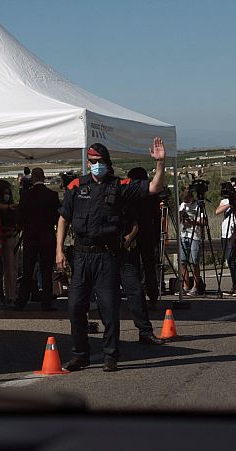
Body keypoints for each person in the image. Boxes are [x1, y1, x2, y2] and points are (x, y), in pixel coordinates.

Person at [56, 138, 167, 372]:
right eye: (92, 161)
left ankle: (110, 355)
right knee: (75, 307)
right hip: (81, 255)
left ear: (107, 163)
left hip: (106, 256)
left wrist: (160, 163)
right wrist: (59, 250)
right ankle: (80, 355)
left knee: (108, 307)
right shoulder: (76, 186)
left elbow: (154, 188)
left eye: (100, 161)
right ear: (88, 162)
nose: (96, 165)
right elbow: (64, 218)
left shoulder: (119, 186)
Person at [15, 168, 60, 311]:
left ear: (32, 179)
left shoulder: (26, 195)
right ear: (44, 177)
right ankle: (46, 303)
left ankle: (21, 301)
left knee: (27, 270)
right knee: (46, 270)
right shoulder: (52, 195)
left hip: (30, 237)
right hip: (47, 236)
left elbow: (20, 215)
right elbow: (57, 217)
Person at [121, 213, 165, 345]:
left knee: (136, 291)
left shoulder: (124, 198)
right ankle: (109, 341)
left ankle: (145, 331)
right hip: (102, 253)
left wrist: (129, 237)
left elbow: (134, 222)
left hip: (126, 251)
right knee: (107, 298)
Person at [127, 167, 162, 308]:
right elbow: (157, 216)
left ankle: (137, 298)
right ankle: (152, 296)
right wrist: (157, 235)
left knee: (133, 267)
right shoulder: (151, 195)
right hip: (148, 233)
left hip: (133, 234)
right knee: (149, 267)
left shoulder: (131, 194)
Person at [0, 180, 19, 306]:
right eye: (5, 192)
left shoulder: (7, 207)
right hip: (5, 239)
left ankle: (11, 294)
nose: (7, 194)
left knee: (13, 268)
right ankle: (10, 295)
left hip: (13, 237)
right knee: (9, 269)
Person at [215, 194, 236, 296]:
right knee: (228, 260)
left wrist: (235, 233)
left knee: (231, 260)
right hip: (224, 233)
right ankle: (234, 285)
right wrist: (229, 205)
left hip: (233, 234)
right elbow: (217, 211)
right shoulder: (224, 201)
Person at [178, 188, 204, 296]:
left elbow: (203, 222)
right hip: (184, 234)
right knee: (183, 261)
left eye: (188, 200)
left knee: (195, 262)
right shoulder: (183, 205)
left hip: (195, 235)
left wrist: (191, 221)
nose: (187, 203)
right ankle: (185, 285)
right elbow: (179, 219)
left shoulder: (198, 205)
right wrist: (181, 215)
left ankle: (195, 286)